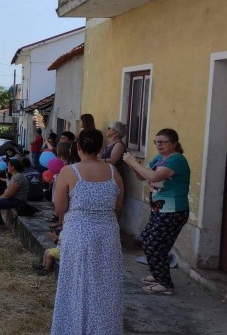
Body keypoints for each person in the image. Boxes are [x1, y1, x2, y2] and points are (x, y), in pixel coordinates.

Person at [51, 128, 124, 335]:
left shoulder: (69, 171)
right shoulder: (113, 172)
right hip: (108, 234)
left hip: (79, 235)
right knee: (106, 287)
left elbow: (60, 207)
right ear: (101, 147)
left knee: (77, 285)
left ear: (78, 146)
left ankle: (74, 328)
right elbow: (118, 206)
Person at [123, 128, 190, 296]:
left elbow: (154, 177)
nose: (159, 145)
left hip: (173, 210)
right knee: (149, 239)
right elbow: (143, 176)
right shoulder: (160, 158)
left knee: (153, 243)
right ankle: (157, 274)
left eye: (163, 142)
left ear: (174, 143)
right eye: (156, 142)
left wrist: (133, 163)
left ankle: (165, 284)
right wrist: (133, 166)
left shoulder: (176, 160)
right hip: (160, 209)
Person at [0, 158, 29, 228]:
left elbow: (9, 194)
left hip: (18, 200)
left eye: (9, 165)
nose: (7, 167)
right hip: (15, 199)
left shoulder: (18, 177)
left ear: (13, 167)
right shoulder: (15, 176)